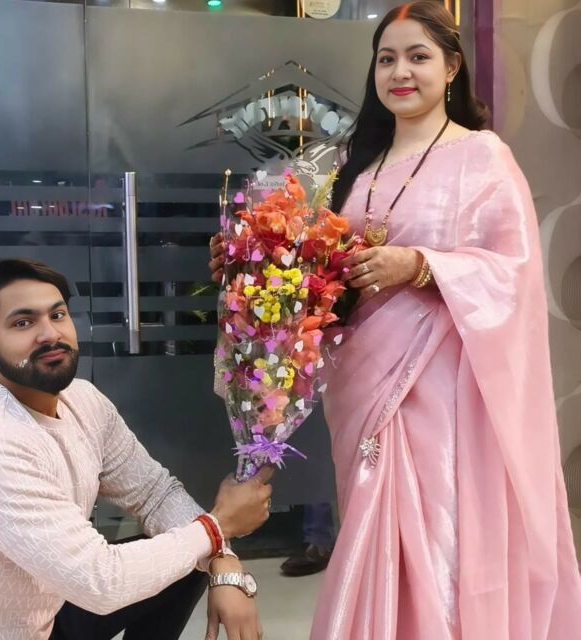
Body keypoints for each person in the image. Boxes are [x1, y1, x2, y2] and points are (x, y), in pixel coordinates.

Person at [208, 2, 581, 637]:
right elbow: (315, 261)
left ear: (452, 67)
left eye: (418, 57)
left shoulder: (483, 157)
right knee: (372, 526)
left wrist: (421, 265)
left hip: (442, 385)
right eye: (387, 59)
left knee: (437, 536)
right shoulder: (353, 161)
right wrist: (257, 265)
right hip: (361, 377)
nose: (400, 72)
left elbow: (513, 272)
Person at [0, 258, 273, 640]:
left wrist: (223, 563)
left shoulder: (82, 400)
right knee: (192, 542)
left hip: (50, 609)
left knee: (187, 555)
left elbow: (154, 493)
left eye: (58, 315)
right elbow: (101, 582)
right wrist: (219, 525)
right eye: (23, 323)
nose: (50, 334)